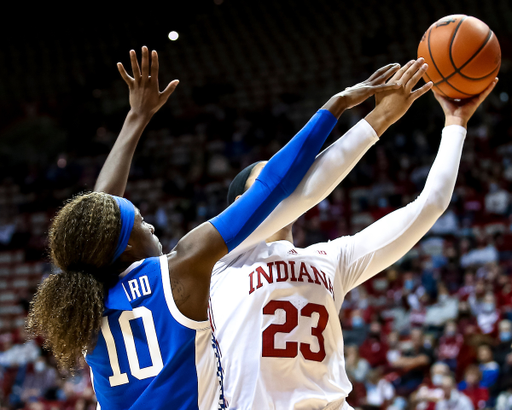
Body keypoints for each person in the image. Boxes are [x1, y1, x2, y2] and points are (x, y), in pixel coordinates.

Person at [25, 47, 403, 410]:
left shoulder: (83, 295)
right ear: (124, 247)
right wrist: (334, 107)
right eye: (141, 222)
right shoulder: (181, 271)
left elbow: (98, 217)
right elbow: (274, 185)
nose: (152, 225)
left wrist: (136, 119)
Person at [208, 60, 498, 408]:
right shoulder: (220, 260)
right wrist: (376, 119)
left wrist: (455, 125)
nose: (281, 183)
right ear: (240, 203)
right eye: (267, 177)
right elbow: (311, 189)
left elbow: (429, 206)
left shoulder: (332, 258)